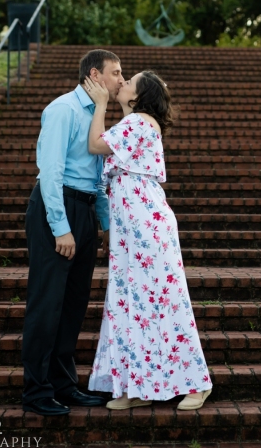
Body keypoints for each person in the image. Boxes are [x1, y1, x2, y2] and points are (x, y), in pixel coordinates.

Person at [83, 70, 212, 411]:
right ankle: (138, 386)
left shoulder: (139, 121)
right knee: (131, 305)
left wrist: (99, 104)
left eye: (129, 82)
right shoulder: (131, 123)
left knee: (166, 301)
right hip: (130, 227)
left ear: (139, 98)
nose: (121, 83)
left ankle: (198, 383)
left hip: (147, 225)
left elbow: (95, 144)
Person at [21, 49, 124, 416]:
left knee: (74, 303)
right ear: (96, 74)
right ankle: (36, 391)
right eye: (115, 73)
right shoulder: (62, 109)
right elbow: (49, 173)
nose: (121, 81)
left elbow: (97, 179)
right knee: (47, 303)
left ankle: (64, 385)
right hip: (57, 209)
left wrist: (106, 224)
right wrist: (60, 227)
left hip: (83, 210)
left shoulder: (97, 116)